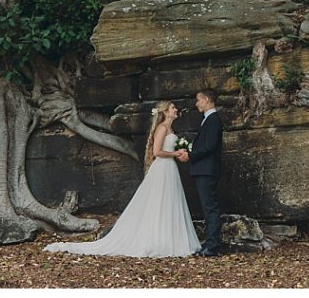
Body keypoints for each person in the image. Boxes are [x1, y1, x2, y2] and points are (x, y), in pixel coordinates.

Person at [43, 100, 201, 257]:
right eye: (173, 108)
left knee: (169, 202)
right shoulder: (161, 128)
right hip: (162, 168)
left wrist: (180, 150)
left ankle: (170, 239)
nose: (176, 110)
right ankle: (157, 239)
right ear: (165, 112)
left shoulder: (169, 128)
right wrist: (176, 153)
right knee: (159, 202)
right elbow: (157, 152)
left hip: (170, 168)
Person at [182, 88, 223, 256]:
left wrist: (190, 155)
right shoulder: (208, 119)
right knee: (208, 207)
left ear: (206, 100)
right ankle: (211, 242)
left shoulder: (213, 120)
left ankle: (213, 246)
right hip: (204, 170)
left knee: (210, 208)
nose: (196, 103)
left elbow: (209, 146)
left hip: (207, 170)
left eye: (198, 100)